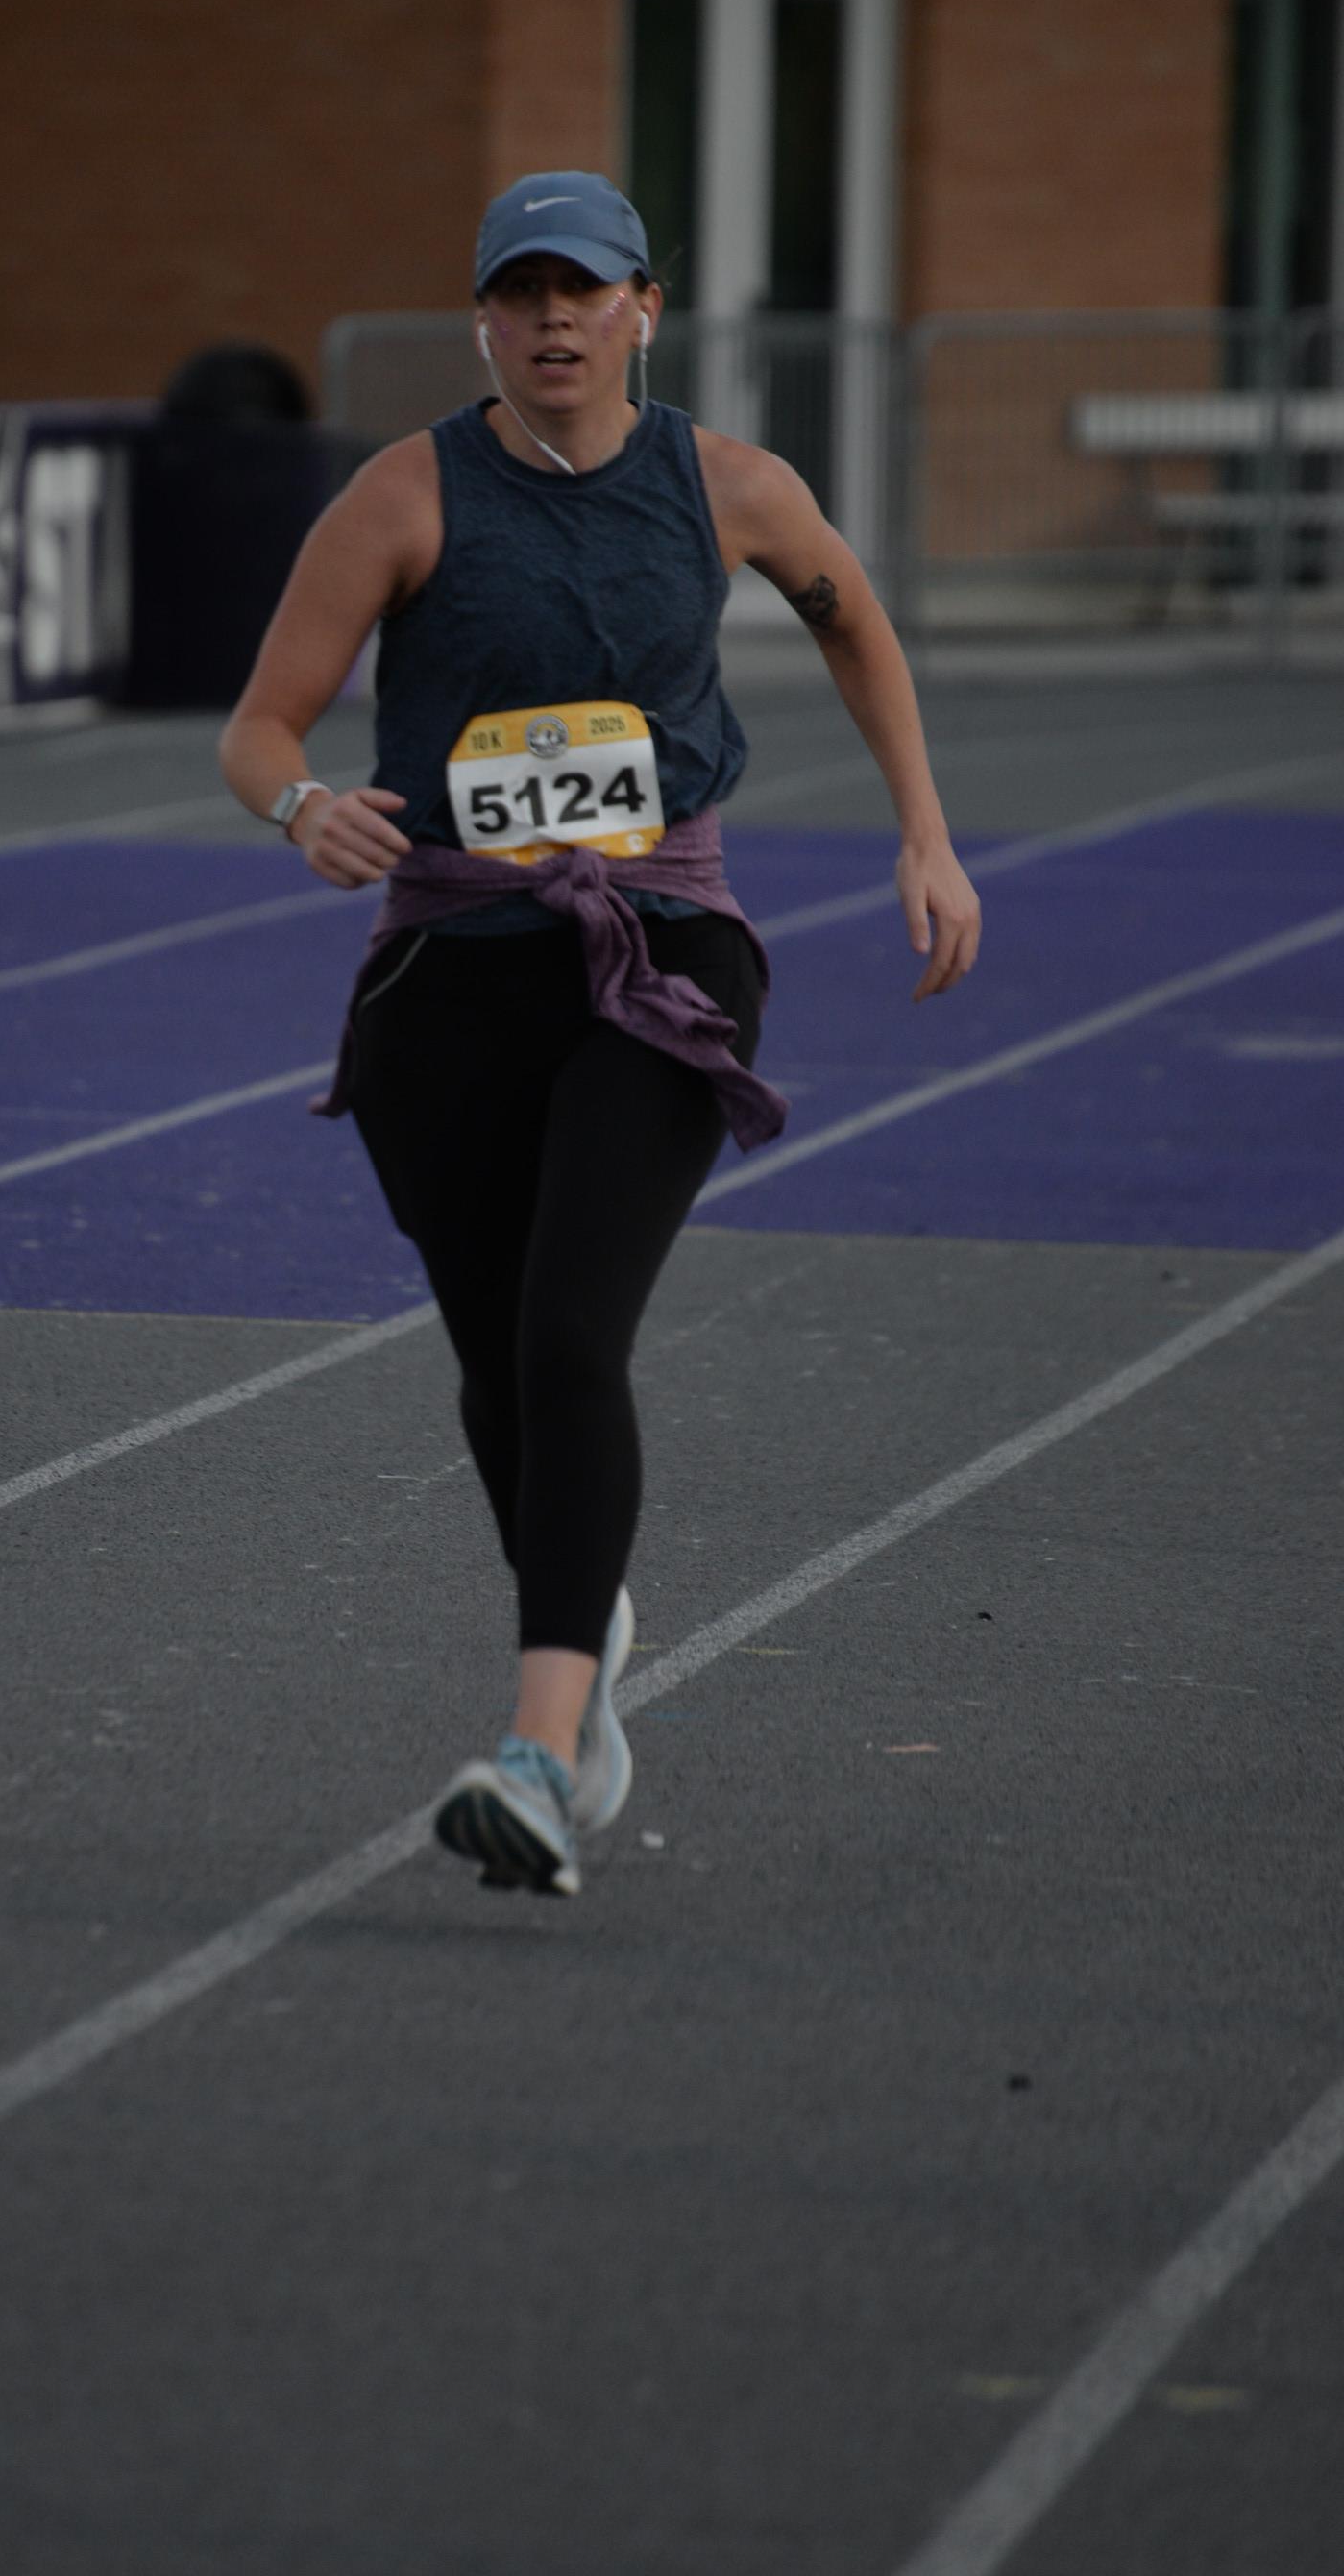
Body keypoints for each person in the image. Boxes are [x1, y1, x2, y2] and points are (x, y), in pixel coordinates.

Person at [218, 170, 980, 1899]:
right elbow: (260, 726)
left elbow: (854, 622)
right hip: (446, 971)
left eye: (584, 290)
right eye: (521, 292)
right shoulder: (404, 495)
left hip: (662, 954)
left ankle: (538, 1751)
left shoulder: (730, 486)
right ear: (483, 319)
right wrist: (302, 808)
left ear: (645, 308)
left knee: (571, 1333)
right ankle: (587, 1628)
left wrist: (924, 836)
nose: (552, 319)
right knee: (500, 1364)